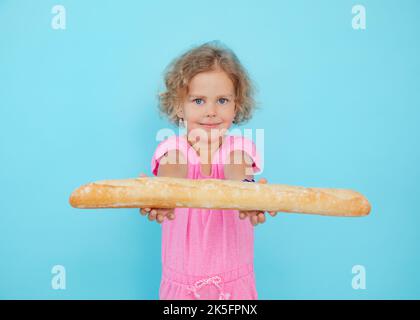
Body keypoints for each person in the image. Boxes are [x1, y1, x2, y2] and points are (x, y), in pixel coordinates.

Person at [139, 40, 277, 300]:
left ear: (236, 106)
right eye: (199, 100)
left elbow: (238, 174)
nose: (211, 112)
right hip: (181, 287)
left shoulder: (239, 149)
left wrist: (248, 197)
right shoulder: (173, 149)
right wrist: (163, 197)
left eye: (222, 100)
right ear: (180, 106)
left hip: (234, 287)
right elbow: (174, 172)